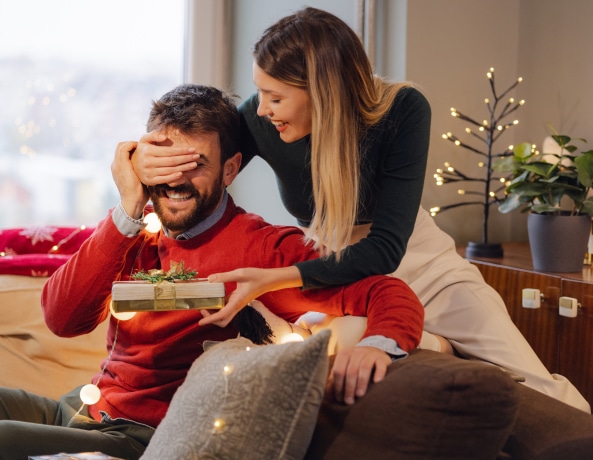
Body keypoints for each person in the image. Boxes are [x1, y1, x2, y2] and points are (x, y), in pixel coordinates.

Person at [131, 7, 590, 412]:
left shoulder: (403, 110)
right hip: (336, 274)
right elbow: (201, 161)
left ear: (321, 90)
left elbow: (386, 250)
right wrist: (133, 159)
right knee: (325, 360)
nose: (262, 109)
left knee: (532, 382)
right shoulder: (259, 118)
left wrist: (277, 277)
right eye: (260, 93)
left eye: (276, 96)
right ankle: (433, 346)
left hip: (417, 259)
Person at [0, 84, 424, 459]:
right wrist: (127, 207)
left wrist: (378, 347)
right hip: (78, 407)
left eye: (195, 163)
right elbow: (62, 318)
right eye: (163, 161)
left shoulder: (259, 247)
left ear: (230, 169)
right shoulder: (135, 226)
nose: (176, 179)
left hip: (134, 438)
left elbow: (383, 291)